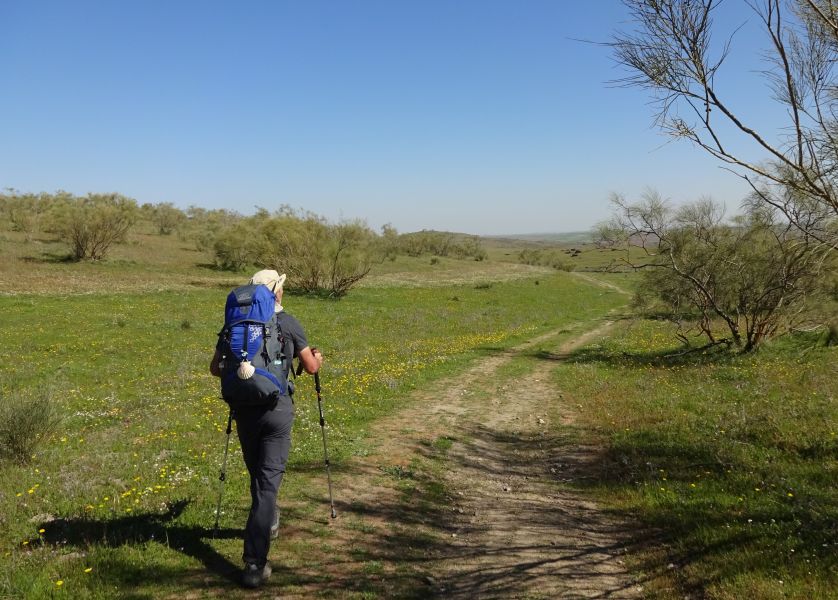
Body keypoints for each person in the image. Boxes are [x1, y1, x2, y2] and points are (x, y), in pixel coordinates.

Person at [210, 269, 323, 588]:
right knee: (267, 485)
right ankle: (255, 564)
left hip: (244, 410)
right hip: (277, 411)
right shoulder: (288, 322)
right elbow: (311, 367)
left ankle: (268, 518)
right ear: (277, 291)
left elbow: (215, 368)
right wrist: (317, 358)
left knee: (258, 477)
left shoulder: (234, 324)